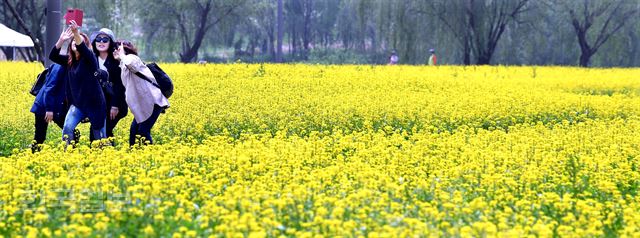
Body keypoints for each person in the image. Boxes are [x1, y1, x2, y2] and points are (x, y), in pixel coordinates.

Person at [49, 21, 107, 149]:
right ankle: (68, 154)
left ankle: (103, 160)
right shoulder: (69, 61)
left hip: (95, 104)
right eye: (73, 41)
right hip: (78, 104)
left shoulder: (89, 59)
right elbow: (53, 56)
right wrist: (61, 40)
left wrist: (76, 33)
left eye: (79, 40)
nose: (75, 42)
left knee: (100, 137)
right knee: (67, 128)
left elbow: (84, 50)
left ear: (85, 45)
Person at [113, 40, 169, 146]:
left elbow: (131, 65)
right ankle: (133, 155)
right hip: (143, 104)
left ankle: (150, 155)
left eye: (117, 48)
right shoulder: (123, 64)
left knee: (143, 131)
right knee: (134, 131)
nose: (115, 51)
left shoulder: (132, 58)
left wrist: (122, 55)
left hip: (152, 102)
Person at [29, 63, 80, 152]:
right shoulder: (59, 66)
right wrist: (49, 110)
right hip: (45, 106)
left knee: (72, 132)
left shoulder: (75, 65)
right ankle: (33, 157)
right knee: (39, 137)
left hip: (58, 107)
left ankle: (71, 156)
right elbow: (49, 88)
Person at [91, 28, 127, 142]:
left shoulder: (115, 60)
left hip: (114, 103)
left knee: (105, 130)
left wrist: (115, 106)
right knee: (96, 132)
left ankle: (109, 155)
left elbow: (119, 85)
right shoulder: (92, 59)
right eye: (98, 39)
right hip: (98, 103)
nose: (101, 42)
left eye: (105, 39)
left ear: (111, 42)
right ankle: (104, 156)